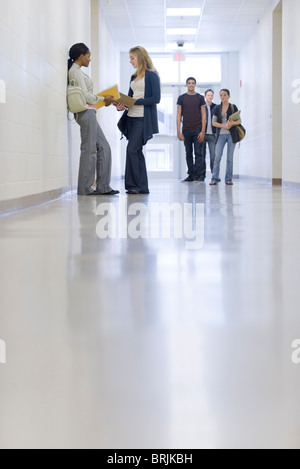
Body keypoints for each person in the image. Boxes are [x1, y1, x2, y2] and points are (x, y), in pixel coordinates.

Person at [68, 43, 119, 196]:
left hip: (90, 111)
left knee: (104, 147)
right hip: (85, 112)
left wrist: (103, 99)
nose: (90, 59)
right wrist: (105, 98)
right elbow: (87, 96)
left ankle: (103, 187)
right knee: (89, 150)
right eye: (88, 56)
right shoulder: (75, 72)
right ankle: (85, 188)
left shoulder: (78, 72)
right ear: (81, 55)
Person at [116, 46, 161, 194]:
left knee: (131, 149)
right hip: (131, 118)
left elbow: (156, 99)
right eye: (129, 58)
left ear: (140, 58)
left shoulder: (152, 75)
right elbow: (130, 98)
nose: (130, 61)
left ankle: (133, 185)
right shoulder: (133, 77)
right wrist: (121, 105)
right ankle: (142, 187)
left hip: (143, 119)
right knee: (136, 151)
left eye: (132, 58)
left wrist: (136, 102)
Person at [177, 78, 207, 182]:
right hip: (186, 130)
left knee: (198, 153)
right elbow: (178, 115)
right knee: (188, 153)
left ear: (195, 85)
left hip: (198, 129)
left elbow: (204, 115)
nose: (191, 85)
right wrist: (178, 131)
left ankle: (198, 175)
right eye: (189, 83)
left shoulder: (200, 98)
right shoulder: (181, 98)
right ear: (186, 84)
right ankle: (191, 175)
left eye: (193, 83)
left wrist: (203, 131)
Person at [210, 89, 241, 186]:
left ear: (229, 96)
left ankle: (228, 179)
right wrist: (224, 126)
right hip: (221, 135)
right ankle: (214, 178)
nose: (222, 97)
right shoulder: (216, 108)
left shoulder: (233, 107)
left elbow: (239, 121)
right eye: (221, 95)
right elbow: (213, 123)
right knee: (217, 157)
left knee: (229, 158)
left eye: (224, 95)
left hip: (232, 135)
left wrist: (232, 123)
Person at [203, 89, 217, 175]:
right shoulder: (201, 107)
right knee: (202, 156)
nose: (210, 97)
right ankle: (202, 175)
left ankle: (214, 175)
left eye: (211, 95)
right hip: (203, 134)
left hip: (212, 135)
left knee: (213, 156)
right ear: (205, 96)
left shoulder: (216, 107)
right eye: (208, 95)